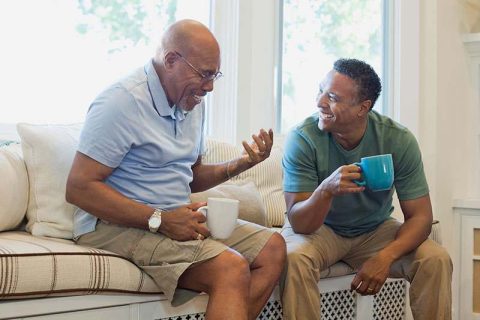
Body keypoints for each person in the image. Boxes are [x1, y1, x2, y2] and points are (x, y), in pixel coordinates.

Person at [66, 19, 286, 320]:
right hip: (112, 225)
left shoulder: (192, 102)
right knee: (230, 267)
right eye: (205, 74)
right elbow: (79, 188)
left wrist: (241, 164)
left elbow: (191, 176)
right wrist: (159, 219)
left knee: (273, 248)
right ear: (171, 60)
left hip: (173, 215)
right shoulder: (121, 102)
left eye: (215, 75)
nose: (209, 87)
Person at [280, 58, 452, 320]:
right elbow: (300, 222)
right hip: (320, 230)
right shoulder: (303, 138)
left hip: (375, 229)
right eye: (320, 90)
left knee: (435, 258)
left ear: (363, 108)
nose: (320, 102)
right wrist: (325, 191)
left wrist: (385, 256)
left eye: (333, 97)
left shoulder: (397, 139)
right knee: (294, 259)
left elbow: (421, 217)